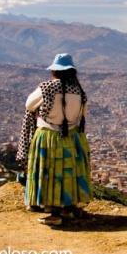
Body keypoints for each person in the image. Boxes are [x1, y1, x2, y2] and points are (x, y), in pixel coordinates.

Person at [16, 53, 92, 226]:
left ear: (54, 71)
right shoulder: (79, 91)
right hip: (71, 137)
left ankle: (53, 211)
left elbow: (29, 105)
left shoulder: (47, 87)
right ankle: (69, 206)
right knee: (67, 172)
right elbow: (82, 115)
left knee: (48, 171)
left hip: (48, 137)